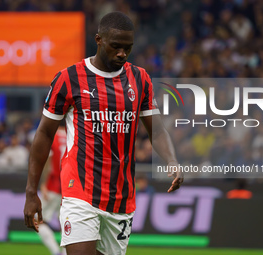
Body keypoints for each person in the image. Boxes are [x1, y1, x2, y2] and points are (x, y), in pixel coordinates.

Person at [24, 11, 183, 255]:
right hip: (79, 191)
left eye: (128, 48)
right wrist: (31, 191)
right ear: (99, 40)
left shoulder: (140, 79)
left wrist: (172, 160)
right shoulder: (69, 79)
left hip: (121, 198)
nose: (122, 53)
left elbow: (157, 130)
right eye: (115, 46)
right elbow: (45, 133)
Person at [38, 125, 67, 255]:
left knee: (38, 221)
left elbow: (48, 163)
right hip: (69, 187)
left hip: (53, 185)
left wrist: (43, 183)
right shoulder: (73, 133)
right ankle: (65, 252)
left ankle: (56, 252)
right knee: (67, 224)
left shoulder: (52, 136)